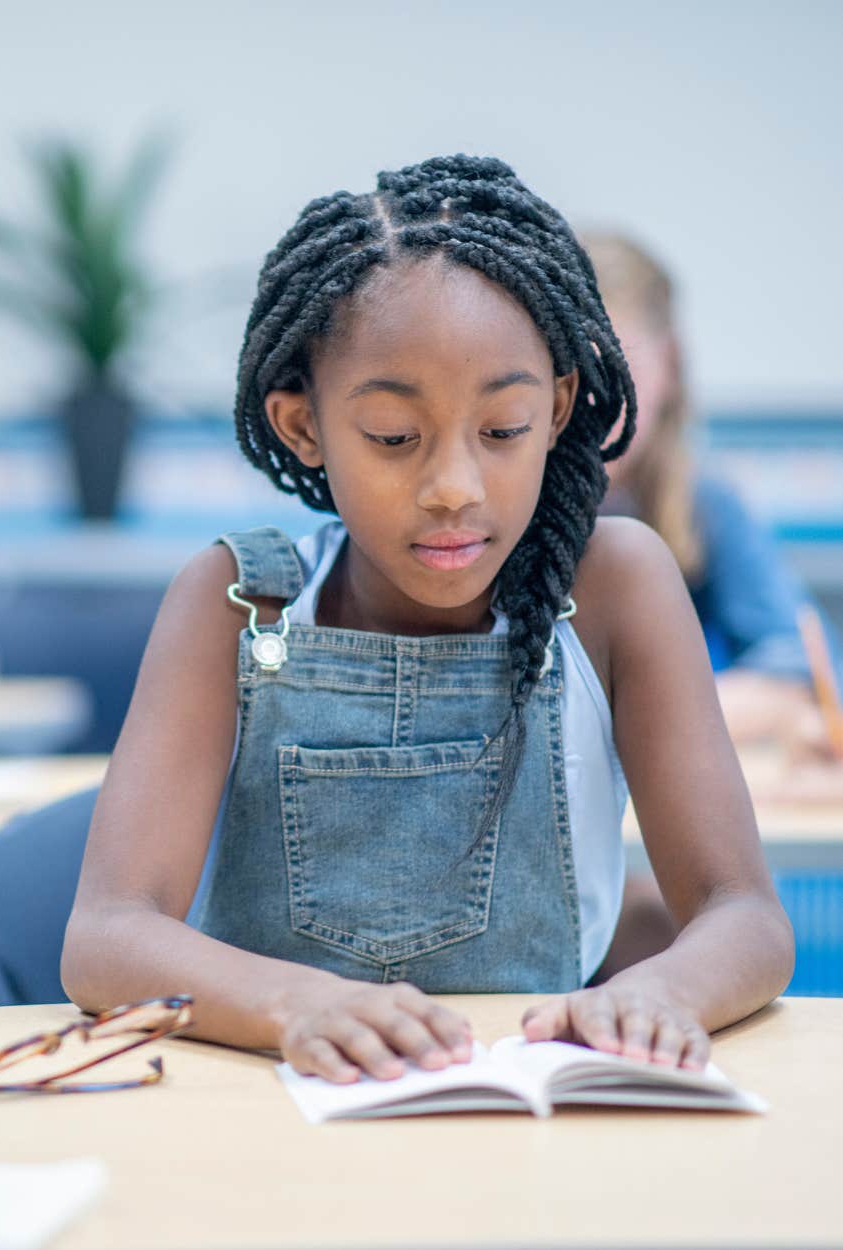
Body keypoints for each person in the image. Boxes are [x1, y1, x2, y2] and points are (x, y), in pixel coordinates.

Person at [61, 154, 794, 1083]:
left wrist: (664, 991)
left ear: (561, 409)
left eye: (503, 431)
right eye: (395, 439)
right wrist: (297, 1004)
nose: (453, 488)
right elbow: (105, 940)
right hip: (267, 1119)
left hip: (529, 1126)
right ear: (304, 428)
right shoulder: (235, 606)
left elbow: (746, 915)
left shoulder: (617, 586)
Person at [582, 232, 817, 744]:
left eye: (625, 369)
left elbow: (797, 668)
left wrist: (626, 718)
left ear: (670, 366)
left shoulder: (708, 505)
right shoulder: (501, 509)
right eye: (575, 372)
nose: (597, 402)